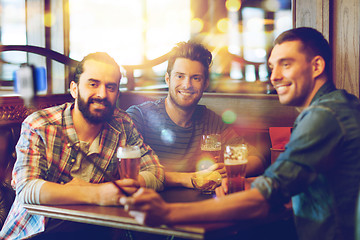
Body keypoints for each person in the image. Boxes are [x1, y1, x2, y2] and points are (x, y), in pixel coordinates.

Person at [120, 27, 360, 240]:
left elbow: (265, 195)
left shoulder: (323, 117)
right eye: (271, 67)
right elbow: (286, 182)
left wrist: (168, 212)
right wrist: (243, 183)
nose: (274, 76)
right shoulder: (339, 106)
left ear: (317, 66)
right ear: (168, 79)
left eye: (285, 64)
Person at [0, 52, 164, 239]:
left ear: (117, 93)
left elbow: (156, 172)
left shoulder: (122, 123)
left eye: (110, 87)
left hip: (92, 230)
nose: (102, 94)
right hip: (32, 233)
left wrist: (124, 188)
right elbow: (27, 189)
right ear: (74, 89)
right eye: (93, 84)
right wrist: (97, 193)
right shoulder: (39, 124)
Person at [126, 41, 266, 188]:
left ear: (205, 83)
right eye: (180, 76)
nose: (187, 85)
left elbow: (257, 159)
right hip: (148, 205)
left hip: (198, 206)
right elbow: (127, 172)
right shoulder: (139, 116)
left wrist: (229, 169)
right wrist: (185, 179)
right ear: (168, 79)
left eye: (196, 78)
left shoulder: (211, 121)